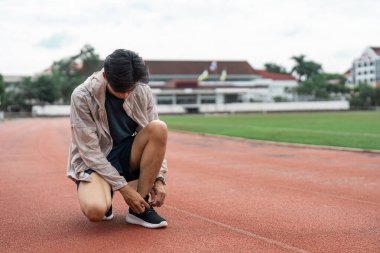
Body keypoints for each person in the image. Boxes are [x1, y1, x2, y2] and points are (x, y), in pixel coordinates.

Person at [67, 49, 168, 228]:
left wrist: (159, 179)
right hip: (94, 160)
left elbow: (154, 138)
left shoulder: (142, 90)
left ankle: (140, 210)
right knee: (96, 211)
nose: (126, 94)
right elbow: (90, 152)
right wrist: (124, 189)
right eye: (121, 90)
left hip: (126, 154)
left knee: (159, 127)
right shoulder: (82, 96)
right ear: (105, 75)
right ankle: (104, 191)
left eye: (131, 88)